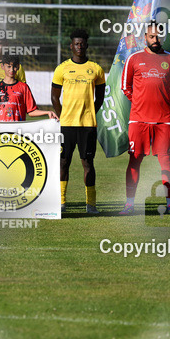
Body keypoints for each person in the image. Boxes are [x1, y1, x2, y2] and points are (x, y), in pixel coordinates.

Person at [120, 22, 170, 216]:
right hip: (138, 120)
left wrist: (162, 103)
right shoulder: (134, 58)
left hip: (164, 121)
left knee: (166, 163)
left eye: (159, 36)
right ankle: (129, 204)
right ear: (145, 37)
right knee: (134, 160)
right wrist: (140, 102)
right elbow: (125, 87)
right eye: (152, 36)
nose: (156, 40)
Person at [51, 28, 105, 213]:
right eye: (76, 44)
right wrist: (62, 116)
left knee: (88, 164)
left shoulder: (96, 69)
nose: (79, 46)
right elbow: (54, 97)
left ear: (86, 45)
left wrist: (90, 113)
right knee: (63, 162)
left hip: (87, 126)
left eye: (82, 44)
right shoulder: (62, 68)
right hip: (67, 125)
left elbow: (100, 98)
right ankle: (61, 202)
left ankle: (91, 204)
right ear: (71, 46)